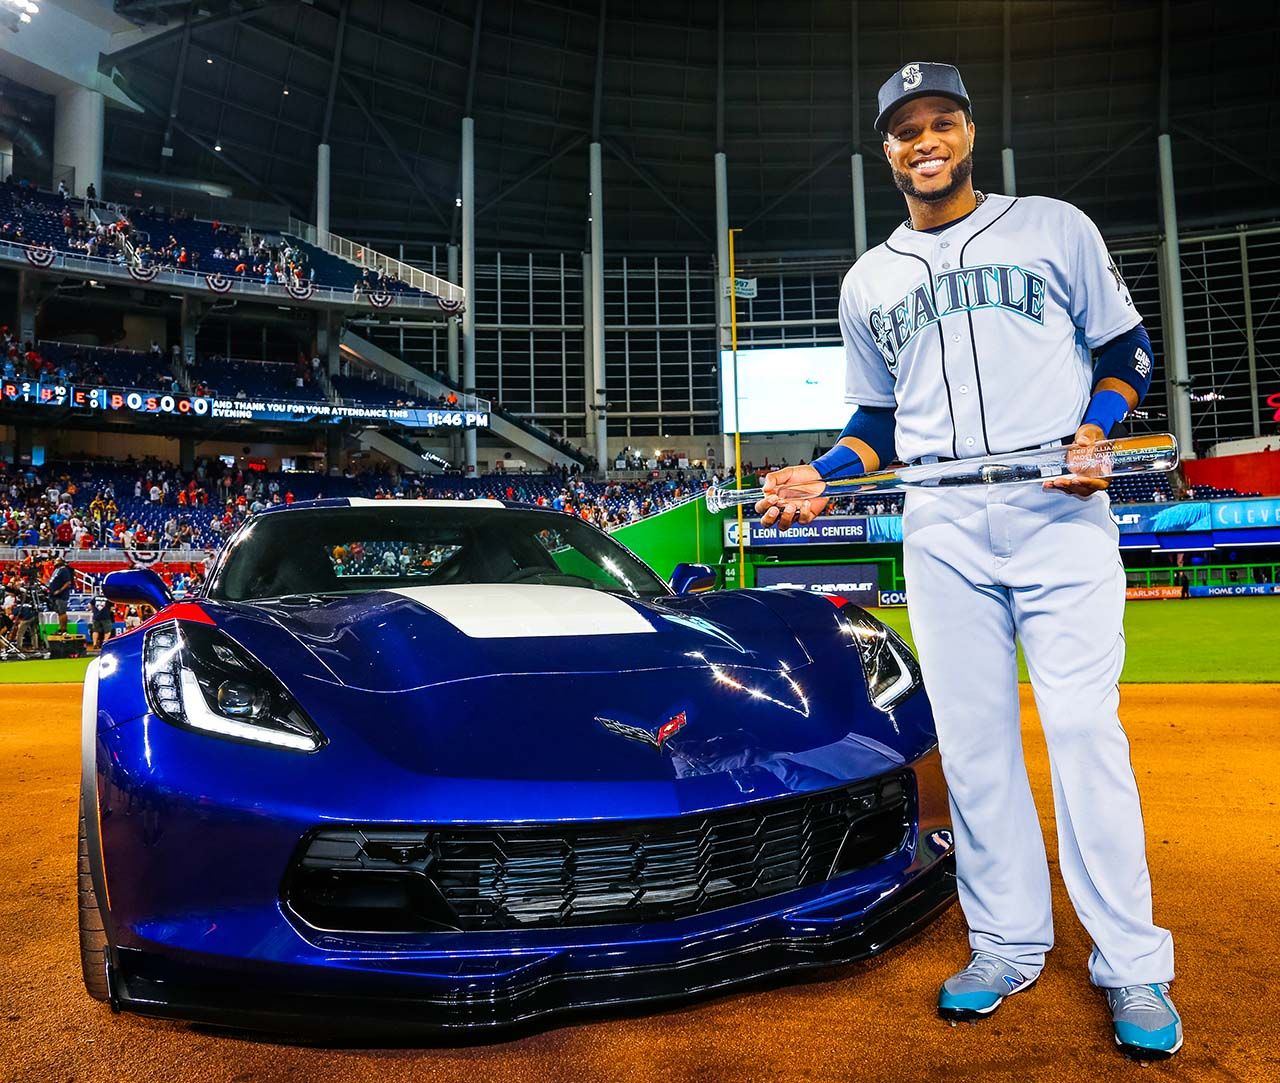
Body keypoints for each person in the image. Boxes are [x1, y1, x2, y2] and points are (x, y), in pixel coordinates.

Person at [756, 62, 1178, 1060]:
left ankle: (1131, 961)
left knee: (1082, 731)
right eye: (906, 130)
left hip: (1056, 504)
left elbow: (1127, 350)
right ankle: (1005, 943)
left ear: (968, 132)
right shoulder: (869, 279)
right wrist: (822, 474)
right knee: (977, 748)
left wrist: (1096, 427)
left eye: (940, 121)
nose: (925, 140)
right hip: (941, 520)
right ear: (887, 150)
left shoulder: (1051, 228)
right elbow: (874, 422)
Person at [46, 556, 74, 635]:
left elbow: (68, 582)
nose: (55, 562)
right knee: (59, 612)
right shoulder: (56, 570)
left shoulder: (64, 570)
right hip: (54, 595)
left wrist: (59, 590)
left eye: (57, 560)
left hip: (61, 595)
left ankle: (63, 630)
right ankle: (60, 628)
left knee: (62, 612)